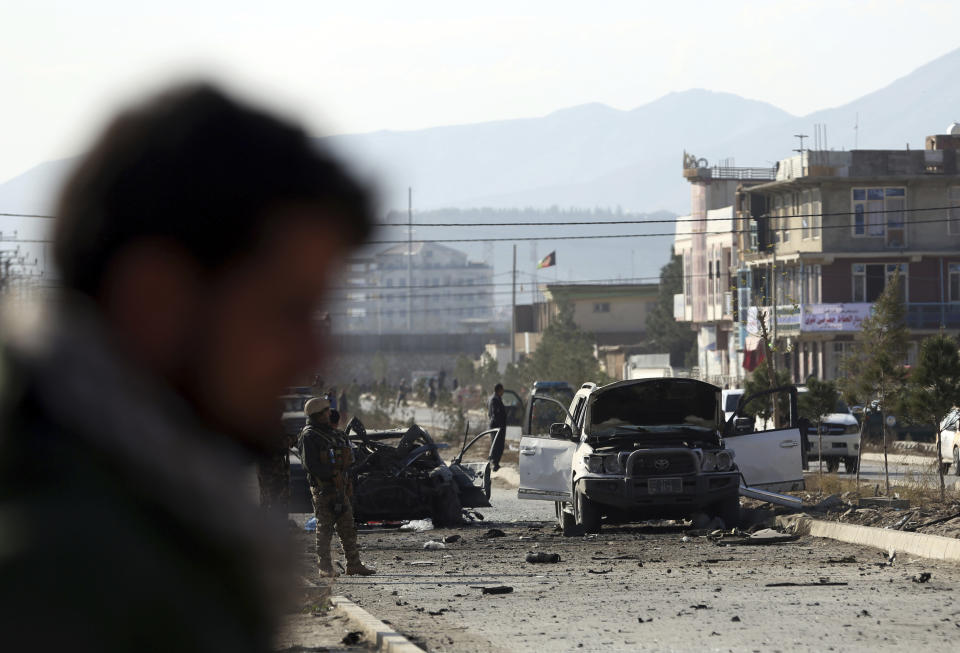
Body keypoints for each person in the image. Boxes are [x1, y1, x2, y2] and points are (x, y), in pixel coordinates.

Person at [0, 82, 373, 652]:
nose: (315, 354)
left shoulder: (131, 508)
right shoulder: (71, 575)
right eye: (286, 311)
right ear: (156, 301)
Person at [298, 397, 374, 577]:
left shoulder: (336, 435)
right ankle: (324, 567)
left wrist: (346, 475)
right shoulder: (309, 436)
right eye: (325, 411)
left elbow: (351, 459)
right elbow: (311, 465)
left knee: (348, 526)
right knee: (324, 529)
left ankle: (354, 564)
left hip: (341, 488)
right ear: (317, 415)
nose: (329, 413)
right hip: (323, 489)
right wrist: (331, 474)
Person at [488, 382, 508, 471]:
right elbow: (495, 414)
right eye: (502, 389)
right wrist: (499, 427)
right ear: (499, 390)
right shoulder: (494, 399)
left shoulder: (494, 398)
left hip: (497, 426)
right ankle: (494, 463)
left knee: (497, 445)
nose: (503, 391)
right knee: (497, 445)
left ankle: (495, 463)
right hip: (497, 426)